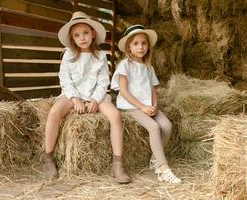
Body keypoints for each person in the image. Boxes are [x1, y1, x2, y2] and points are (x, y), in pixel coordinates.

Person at [43, 11, 131, 184]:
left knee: (115, 116)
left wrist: (95, 100)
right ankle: (47, 158)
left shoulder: (100, 56)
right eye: (77, 35)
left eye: (85, 33)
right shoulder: (68, 55)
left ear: (93, 34)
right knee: (54, 112)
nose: (82, 38)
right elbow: (65, 79)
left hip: (95, 96)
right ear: (72, 39)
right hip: (72, 94)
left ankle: (118, 163)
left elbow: (103, 82)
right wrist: (74, 99)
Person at [111, 25, 181, 184]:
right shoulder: (125, 65)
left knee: (167, 126)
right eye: (136, 43)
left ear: (148, 46)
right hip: (130, 107)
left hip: (147, 106)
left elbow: (153, 90)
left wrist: (154, 105)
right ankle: (163, 169)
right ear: (128, 46)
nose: (141, 47)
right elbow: (124, 91)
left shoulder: (149, 68)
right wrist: (142, 107)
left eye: (144, 43)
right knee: (154, 127)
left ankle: (154, 160)